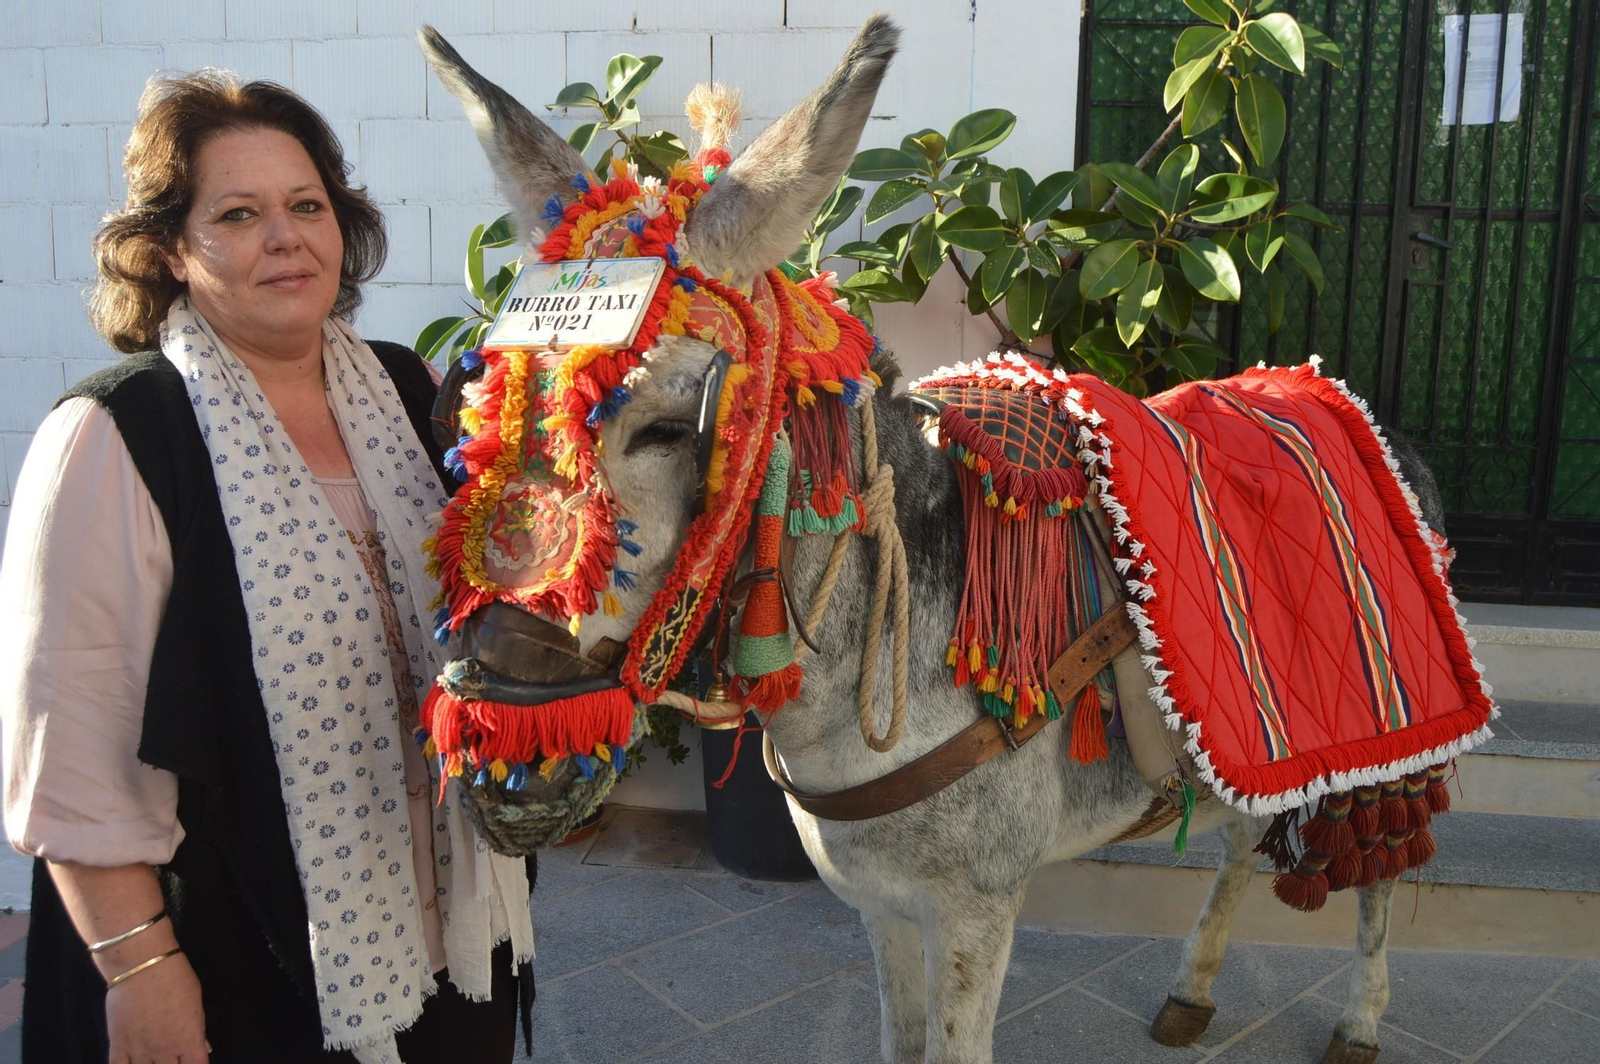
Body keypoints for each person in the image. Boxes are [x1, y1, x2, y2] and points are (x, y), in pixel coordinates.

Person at [0, 70, 534, 1063]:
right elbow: (70, 750)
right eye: (238, 214)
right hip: (237, 956)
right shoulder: (116, 435)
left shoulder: (405, 387)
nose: (285, 237)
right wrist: (138, 965)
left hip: (451, 928)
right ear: (169, 248)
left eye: (306, 205)